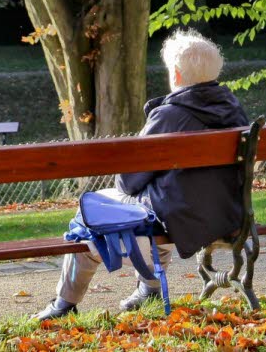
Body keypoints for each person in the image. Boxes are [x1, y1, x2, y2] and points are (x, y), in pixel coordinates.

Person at [33, 30, 249, 319]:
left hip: (178, 219)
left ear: (176, 73)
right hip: (227, 216)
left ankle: (65, 302)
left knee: (88, 214)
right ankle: (149, 289)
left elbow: (128, 181)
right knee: (149, 207)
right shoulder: (235, 111)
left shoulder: (170, 115)